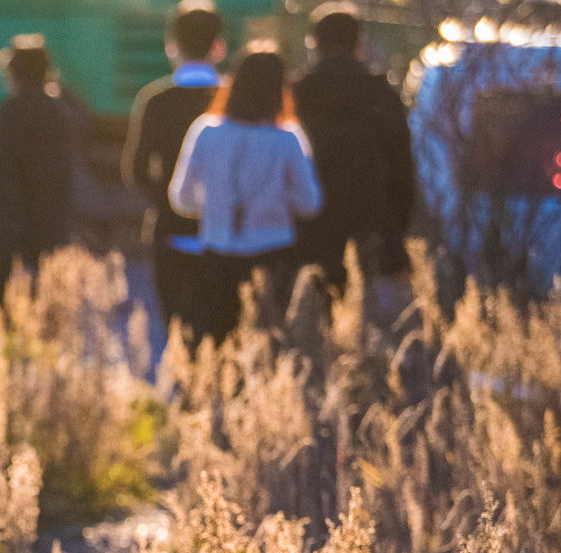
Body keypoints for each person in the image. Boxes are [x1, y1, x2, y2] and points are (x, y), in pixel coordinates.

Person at [169, 48, 322, 343]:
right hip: (274, 257)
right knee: (270, 350)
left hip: (216, 256)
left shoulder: (205, 131)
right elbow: (310, 203)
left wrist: (215, 203)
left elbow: (181, 198)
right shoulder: (288, 139)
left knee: (215, 352)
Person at [292, 3, 417, 293]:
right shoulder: (382, 94)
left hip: (311, 235)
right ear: (359, 44)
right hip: (375, 232)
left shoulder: (297, 96)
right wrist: (396, 229)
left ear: (314, 44)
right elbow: (403, 171)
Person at [123, 3, 229, 333]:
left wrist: (170, 206)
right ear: (219, 47)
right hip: (227, 236)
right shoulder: (232, 98)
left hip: (171, 235)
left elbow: (136, 171)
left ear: (171, 46)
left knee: (176, 334)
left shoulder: (155, 99)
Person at [0, 36, 78, 304]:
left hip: (15, 225)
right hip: (52, 222)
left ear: (12, 74)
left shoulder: (12, 112)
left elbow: (1, 173)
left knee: (1, 303)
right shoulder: (61, 111)